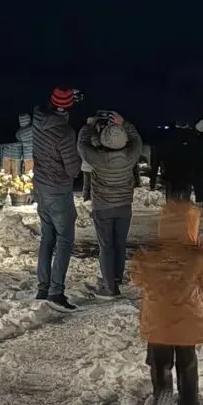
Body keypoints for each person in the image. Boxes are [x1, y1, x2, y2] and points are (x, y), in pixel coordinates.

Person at [128, 183, 203, 405]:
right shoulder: (198, 258)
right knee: (187, 363)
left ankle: (162, 402)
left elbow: (136, 278)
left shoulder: (148, 255)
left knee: (159, 363)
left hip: (158, 321)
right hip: (188, 323)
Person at [77, 111, 142, 296]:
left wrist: (89, 125)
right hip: (124, 207)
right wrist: (124, 123)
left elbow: (82, 145)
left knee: (106, 246)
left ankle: (109, 287)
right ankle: (116, 278)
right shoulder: (130, 156)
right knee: (119, 243)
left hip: (103, 207)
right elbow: (137, 140)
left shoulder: (97, 158)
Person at [31, 86, 83, 309]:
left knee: (47, 237)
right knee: (64, 239)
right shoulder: (65, 133)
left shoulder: (37, 121)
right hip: (58, 190)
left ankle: (43, 288)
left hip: (40, 186)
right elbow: (72, 169)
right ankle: (56, 291)